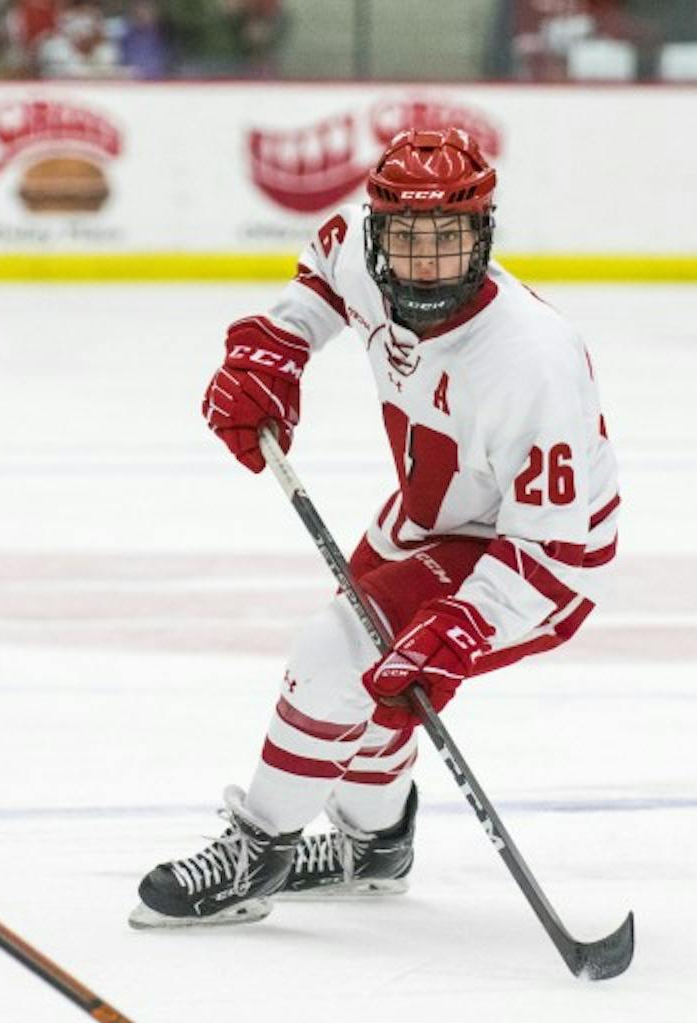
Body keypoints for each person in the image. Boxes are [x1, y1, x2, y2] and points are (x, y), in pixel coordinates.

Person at [132, 128, 620, 928]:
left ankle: (260, 851)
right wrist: (280, 347)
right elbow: (322, 273)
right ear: (377, 231)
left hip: (533, 556)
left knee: (337, 651)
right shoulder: (361, 256)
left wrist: (464, 625)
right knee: (377, 683)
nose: (424, 262)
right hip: (430, 516)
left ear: (484, 235)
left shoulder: (531, 361)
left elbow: (552, 543)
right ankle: (376, 842)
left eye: (448, 239)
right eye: (405, 238)